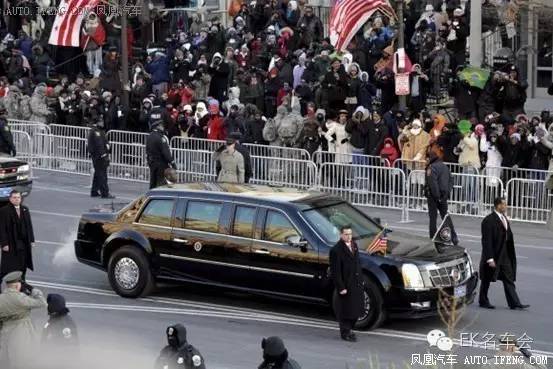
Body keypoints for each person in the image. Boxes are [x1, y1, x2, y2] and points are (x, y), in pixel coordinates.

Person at [479, 197, 530, 310]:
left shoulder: (504, 218)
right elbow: (486, 241)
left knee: (508, 277)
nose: (506, 206)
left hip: (504, 253)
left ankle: (514, 302)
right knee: (487, 278)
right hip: (494, 254)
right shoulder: (488, 220)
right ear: (498, 206)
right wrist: (490, 258)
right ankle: (483, 300)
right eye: (504, 204)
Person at [0, 271, 47, 369]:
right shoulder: (20, 298)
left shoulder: (1, 298)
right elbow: (42, 302)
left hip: (4, 331)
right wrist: (33, 290)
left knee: (5, 359)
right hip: (21, 331)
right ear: (17, 286)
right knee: (21, 359)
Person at [329, 226, 364, 342]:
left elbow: (357, 263)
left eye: (350, 234)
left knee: (355, 310)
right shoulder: (336, 250)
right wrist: (341, 287)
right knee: (345, 310)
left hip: (356, 283)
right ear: (341, 235)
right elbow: (336, 271)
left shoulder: (354, 245)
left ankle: (350, 329)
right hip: (346, 285)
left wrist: (361, 279)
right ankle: (345, 333)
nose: (349, 236)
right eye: (346, 234)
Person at [424, 142, 459, 246]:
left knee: (433, 218)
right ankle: (454, 237)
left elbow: (432, 183)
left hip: (434, 196)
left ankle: (433, 238)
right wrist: (446, 193)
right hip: (444, 195)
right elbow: (451, 180)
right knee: (446, 217)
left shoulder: (431, 168)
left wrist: (437, 196)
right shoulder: (444, 167)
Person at [0, 190, 35, 282]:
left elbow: (29, 226)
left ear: (21, 198)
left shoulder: (25, 209)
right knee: (6, 267)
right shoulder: (4, 211)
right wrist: (4, 244)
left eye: (18, 197)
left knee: (22, 265)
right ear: (10, 199)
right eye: (14, 197)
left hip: (23, 243)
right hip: (10, 243)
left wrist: (31, 240)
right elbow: (2, 228)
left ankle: (22, 283)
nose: (16, 199)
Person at [41, 294, 79, 368]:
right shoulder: (55, 318)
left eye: (49, 304)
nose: (47, 306)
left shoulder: (64, 323)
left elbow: (69, 347)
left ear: (53, 306)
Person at [87, 121, 114, 198]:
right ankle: (105, 193)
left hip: (98, 155)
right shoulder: (96, 131)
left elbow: (103, 142)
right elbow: (99, 144)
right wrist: (104, 154)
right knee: (102, 174)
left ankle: (94, 191)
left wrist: (108, 145)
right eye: (101, 121)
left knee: (98, 173)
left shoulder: (99, 131)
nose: (103, 123)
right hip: (99, 156)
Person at [146, 120, 176, 189]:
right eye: (161, 126)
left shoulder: (150, 136)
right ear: (158, 127)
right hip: (161, 164)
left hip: (152, 162)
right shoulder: (161, 138)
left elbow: (147, 150)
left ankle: (151, 196)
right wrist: (172, 162)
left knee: (153, 181)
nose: (163, 127)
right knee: (161, 183)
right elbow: (166, 152)